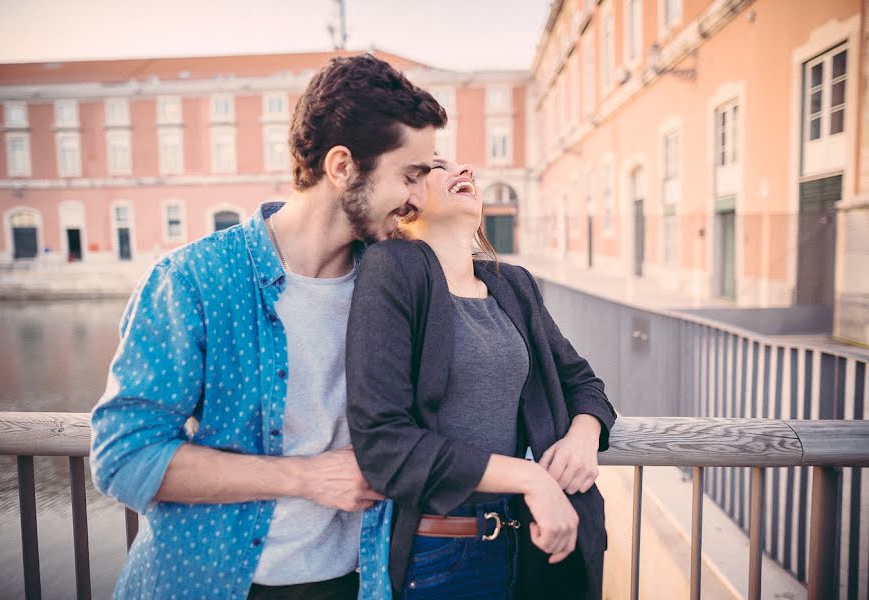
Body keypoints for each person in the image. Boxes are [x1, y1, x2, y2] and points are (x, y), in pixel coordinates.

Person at [89, 54, 446, 600]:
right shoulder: (196, 280)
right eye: (410, 176)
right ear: (342, 166)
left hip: (357, 580)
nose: (419, 197)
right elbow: (122, 457)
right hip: (212, 584)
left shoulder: (398, 287)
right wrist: (304, 477)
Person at [346, 156, 617, 599]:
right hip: (444, 552)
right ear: (405, 198)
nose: (464, 169)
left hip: (532, 541)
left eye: (461, 164)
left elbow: (583, 382)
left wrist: (584, 436)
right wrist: (531, 478)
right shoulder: (392, 268)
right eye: (437, 165)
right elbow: (385, 442)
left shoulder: (513, 283)